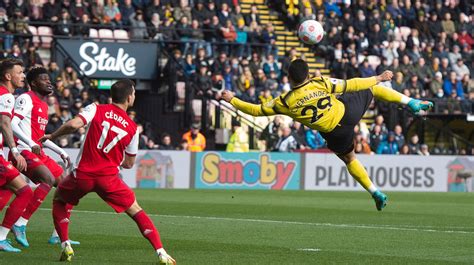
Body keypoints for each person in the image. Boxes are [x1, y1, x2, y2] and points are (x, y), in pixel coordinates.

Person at [222, 59, 434, 211]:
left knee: (350, 158)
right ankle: (411, 103)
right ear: (308, 74)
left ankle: (375, 192)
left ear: (288, 77)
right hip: (348, 113)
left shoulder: (284, 102)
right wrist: (377, 77)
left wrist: (232, 99)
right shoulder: (319, 82)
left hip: (334, 133)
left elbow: (256, 110)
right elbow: (352, 84)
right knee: (373, 89)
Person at [39, 79, 176, 264]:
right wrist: (114, 160)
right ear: (129, 98)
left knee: (59, 200)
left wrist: (53, 136)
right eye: (134, 93)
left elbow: (73, 125)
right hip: (109, 179)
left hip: (82, 176)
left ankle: (65, 244)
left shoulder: (96, 108)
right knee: (136, 211)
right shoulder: (133, 128)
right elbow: (129, 164)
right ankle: (161, 253)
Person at [0, 59, 32, 253]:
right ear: (8, 76)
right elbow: (4, 123)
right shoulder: (7, 96)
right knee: (25, 191)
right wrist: (15, 150)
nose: (23, 76)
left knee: (6, 189)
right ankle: (3, 236)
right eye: (19, 72)